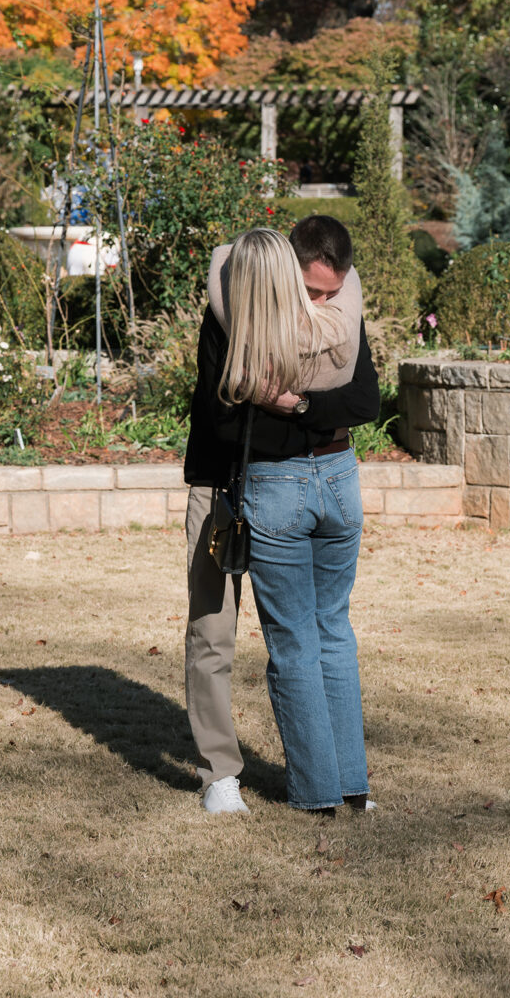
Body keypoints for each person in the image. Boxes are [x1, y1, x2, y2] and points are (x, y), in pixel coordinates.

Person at [184, 216, 380, 813]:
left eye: (331, 291)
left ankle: (337, 788)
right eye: (312, 290)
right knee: (214, 631)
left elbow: (364, 397)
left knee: (313, 636)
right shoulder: (236, 310)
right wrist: (299, 411)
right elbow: (220, 417)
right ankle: (220, 771)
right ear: (283, 271)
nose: (323, 303)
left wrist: (290, 403)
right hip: (222, 483)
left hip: (297, 486)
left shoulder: (339, 317)